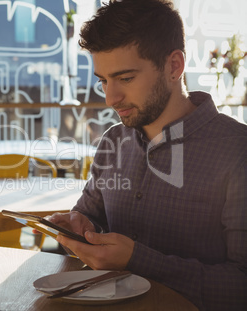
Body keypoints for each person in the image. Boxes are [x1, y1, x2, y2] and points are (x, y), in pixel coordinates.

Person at [48, 0, 247, 310]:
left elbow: (241, 285)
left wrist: (138, 259)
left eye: (125, 78)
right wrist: (78, 229)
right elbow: (89, 218)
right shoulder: (113, 140)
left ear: (174, 66)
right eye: (103, 81)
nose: (111, 98)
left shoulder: (238, 152)